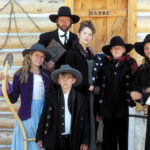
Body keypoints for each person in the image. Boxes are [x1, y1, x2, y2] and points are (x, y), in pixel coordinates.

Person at [0, 43, 52, 150]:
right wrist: (5, 84)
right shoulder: (20, 74)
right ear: (30, 56)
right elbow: (13, 99)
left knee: (41, 141)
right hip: (27, 113)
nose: (39, 58)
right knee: (28, 142)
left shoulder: (47, 75)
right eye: (37, 55)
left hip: (44, 112)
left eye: (42, 56)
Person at [92, 36, 137, 150]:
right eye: (114, 48)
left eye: (119, 48)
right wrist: (98, 110)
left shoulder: (131, 66)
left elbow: (136, 85)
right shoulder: (104, 67)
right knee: (108, 142)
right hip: (108, 111)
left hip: (125, 111)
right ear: (111, 51)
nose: (116, 50)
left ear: (123, 50)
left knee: (124, 142)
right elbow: (98, 90)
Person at [36, 64, 90, 150]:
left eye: (68, 78)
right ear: (58, 81)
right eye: (62, 78)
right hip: (54, 138)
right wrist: (39, 137)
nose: (65, 81)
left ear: (73, 80)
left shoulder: (81, 98)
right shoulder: (51, 97)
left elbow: (86, 121)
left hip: (73, 138)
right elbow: (44, 117)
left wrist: (85, 141)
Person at [65, 20, 97, 150]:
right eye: (84, 33)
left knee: (90, 123)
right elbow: (70, 77)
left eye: (90, 34)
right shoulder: (71, 53)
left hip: (91, 95)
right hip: (78, 94)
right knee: (79, 124)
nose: (87, 36)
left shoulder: (90, 53)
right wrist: (87, 87)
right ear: (78, 34)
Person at [38, 6, 80, 70]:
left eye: (67, 20)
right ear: (57, 22)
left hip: (69, 78)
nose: (64, 23)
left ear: (71, 22)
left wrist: (87, 50)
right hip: (51, 77)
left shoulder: (76, 38)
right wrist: (45, 63)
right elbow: (36, 54)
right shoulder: (45, 37)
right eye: (61, 20)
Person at [130, 34, 150, 150]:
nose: (148, 51)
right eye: (146, 48)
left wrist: (142, 96)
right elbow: (134, 89)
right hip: (143, 113)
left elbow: (138, 94)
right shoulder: (141, 69)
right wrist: (146, 90)